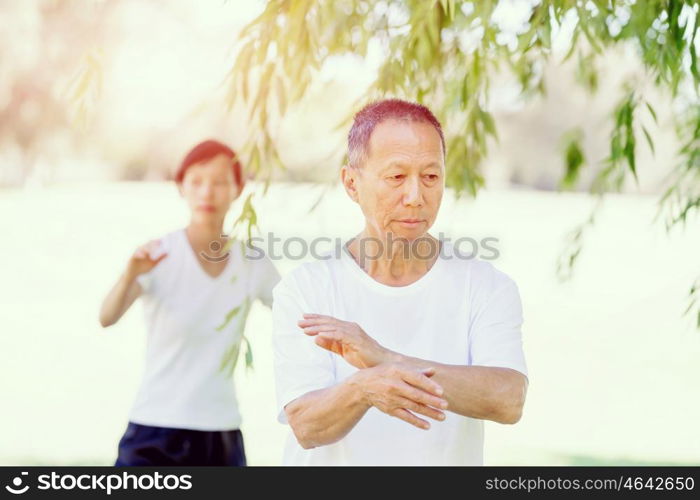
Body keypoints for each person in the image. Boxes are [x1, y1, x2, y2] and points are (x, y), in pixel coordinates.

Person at [272, 99, 529, 466]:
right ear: (351, 183)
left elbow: (508, 400)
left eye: (430, 176)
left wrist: (385, 360)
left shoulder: (487, 287)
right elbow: (307, 427)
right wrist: (363, 388)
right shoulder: (306, 289)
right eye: (396, 177)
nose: (415, 197)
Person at [99, 139, 280, 466]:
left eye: (220, 182)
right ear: (180, 186)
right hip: (154, 429)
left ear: (238, 188)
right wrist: (130, 274)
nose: (207, 193)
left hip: (219, 431)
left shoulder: (252, 261)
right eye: (196, 181)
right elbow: (107, 317)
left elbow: (296, 314)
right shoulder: (159, 254)